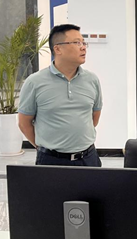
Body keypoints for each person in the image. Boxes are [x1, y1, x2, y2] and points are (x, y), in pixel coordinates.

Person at [18, 24, 103, 166]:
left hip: (88, 158)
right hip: (51, 160)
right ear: (57, 49)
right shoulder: (35, 82)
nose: (83, 47)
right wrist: (44, 148)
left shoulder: (92, 80)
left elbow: (94, 116)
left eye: (83, 43)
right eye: (77, 43)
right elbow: (24, 123)